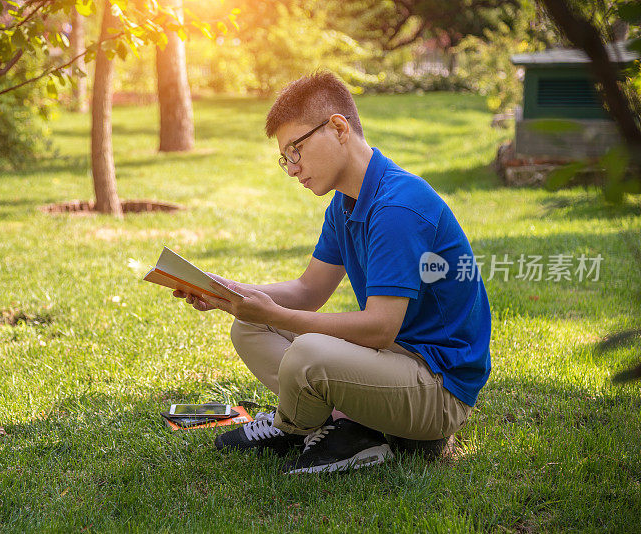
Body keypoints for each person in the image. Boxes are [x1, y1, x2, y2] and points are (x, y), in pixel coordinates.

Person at [173, 71, 491, 474]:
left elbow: (380, 328)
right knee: (249, 328)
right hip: (392, 363)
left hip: (437, 390)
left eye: (296, 150)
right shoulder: (345, 203)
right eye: (285, 157)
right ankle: (341, 428)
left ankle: (298, 425)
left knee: (308, 350)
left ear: (338, 127)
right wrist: (228, 294)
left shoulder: (397, 207)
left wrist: (271, 313)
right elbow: (308, 291)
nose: (291, 168)